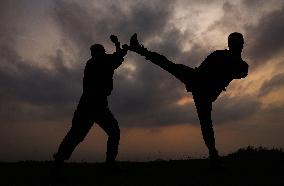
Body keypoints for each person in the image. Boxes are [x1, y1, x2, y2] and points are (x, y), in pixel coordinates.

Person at [128, 32, 249, 163]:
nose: (235, 46)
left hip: (205, 91)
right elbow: (206, 69)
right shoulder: (222, 56)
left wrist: (214, 81)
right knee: (168, 64)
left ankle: (213, 153)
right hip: (197, 81)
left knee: (206, 123)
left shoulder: (239, 64)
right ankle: (140, 49)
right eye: (234, 43)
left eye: (236, 43)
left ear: (240, 45)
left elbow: (236, 73)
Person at [53, 35, 128, 168]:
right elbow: (118, 57)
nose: (103, 54)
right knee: (113, 131)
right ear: (100, 52)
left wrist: (119, 48)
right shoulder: (101, 61)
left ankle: (59, 158)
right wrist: (117, 43)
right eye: (102, 52)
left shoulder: (92, 62)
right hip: (96, 105)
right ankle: (110, 163)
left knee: (76, 134)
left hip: (87, 105)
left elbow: (117, 58)